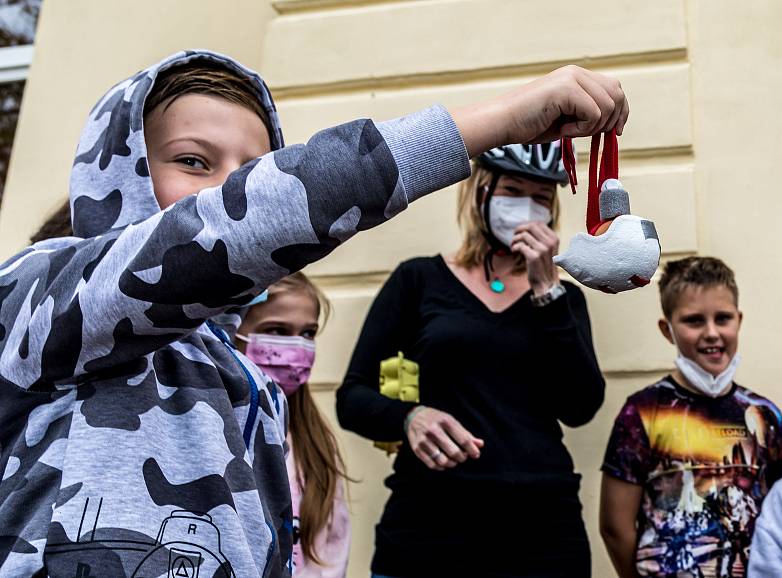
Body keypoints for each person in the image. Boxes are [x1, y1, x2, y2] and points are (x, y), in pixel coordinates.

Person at [0, 45, 629, 577]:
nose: (228, 190)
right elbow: (233, 227)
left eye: (252, 172)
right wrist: (499, 120)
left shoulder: (243, 374)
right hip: (433, 529)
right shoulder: (44, 293)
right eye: (194, 161)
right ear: (122, 170)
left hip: (540, 526)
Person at [336, 138, 607, 577]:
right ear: (479, 191)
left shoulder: (563, 297)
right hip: (428, 530)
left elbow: (581, 407)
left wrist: (546, 290)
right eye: (513, 192)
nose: (527, 208)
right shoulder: (418, 280)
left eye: (541, 198)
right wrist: (409, 418)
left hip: (541, 533)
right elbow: (353, 396)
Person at [599, 256, 782, 578]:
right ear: (667, 329)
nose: (712, 333)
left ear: (739, 321)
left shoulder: (765, 415)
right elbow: (614, 527)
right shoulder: (642, 413)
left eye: (723, 318)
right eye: (694, 321)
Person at [236, 273, 351, 577]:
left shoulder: (315, 441)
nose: (295, 349)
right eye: (276, 330)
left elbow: (330, 552)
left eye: (308, 333)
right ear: (234, 330)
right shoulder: (216, 430)